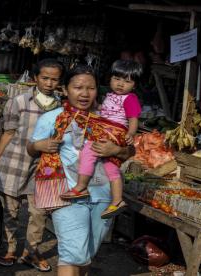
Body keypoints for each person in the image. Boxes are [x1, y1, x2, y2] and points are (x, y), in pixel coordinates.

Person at [27, 65, 134, 276]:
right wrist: (40, 146)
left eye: (91, 88)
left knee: (86, 255)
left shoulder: (110, 120)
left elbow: (130, 151)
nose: (84, 93)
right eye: (78, 87)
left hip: (104, 196)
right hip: (67, 195)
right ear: (65, 90)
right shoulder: (52, 118)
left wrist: (117, 149)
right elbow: (31, 148)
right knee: (71, 254)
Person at [0, 58, 63, 272]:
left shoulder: (61, 107)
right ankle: (10, 249)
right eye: (45, 78)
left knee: (39, 213)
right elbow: (8, 133)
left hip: (42, 168)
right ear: (35, 78)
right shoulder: (18, 102)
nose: (49, 83)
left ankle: (31, 252)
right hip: (14, 164)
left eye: (54, 79)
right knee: (11, 210)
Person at [60, 60, 142, 219]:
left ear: (134, 85)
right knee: (112, 167)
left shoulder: (130, 98)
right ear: (110, 79)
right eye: (117, 79)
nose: (120, 84)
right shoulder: (110, 95)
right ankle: (117, 200)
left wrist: (131, 134)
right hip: (108, 130)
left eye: (127, 81)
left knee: (88, 151)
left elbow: (133, 118)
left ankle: (81, 186)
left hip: (113, 132)